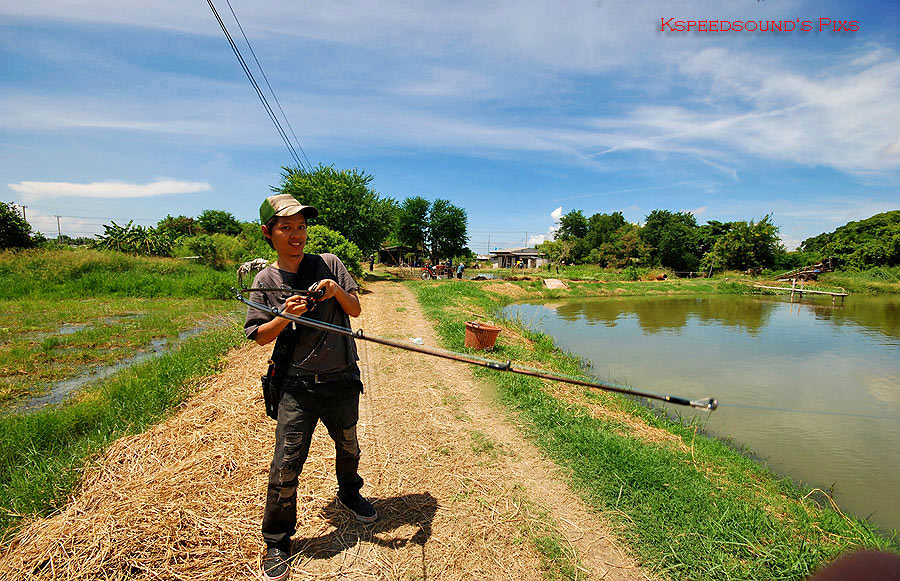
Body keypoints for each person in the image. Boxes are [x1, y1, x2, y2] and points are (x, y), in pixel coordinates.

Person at [244, 193, 376, 581]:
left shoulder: (329, 264)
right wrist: (285, 316)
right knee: (285, 465)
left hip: (341, 379)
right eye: (286, 227)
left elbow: (355, 309)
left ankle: (349, 493)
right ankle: (278, 540)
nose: (296, 235)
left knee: (349, 444)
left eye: (301, 227)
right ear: (269, 233)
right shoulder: (266, 281)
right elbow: (258, 336)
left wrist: (336, 291)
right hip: (296, 388)